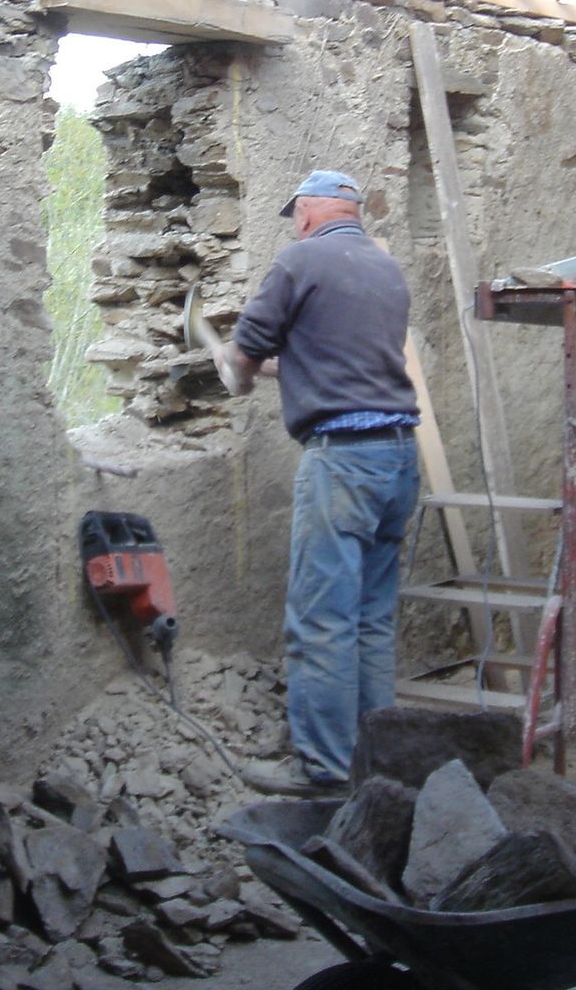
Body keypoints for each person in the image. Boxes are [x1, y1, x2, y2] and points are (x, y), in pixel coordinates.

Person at [213, 169, 422, 795]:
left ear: (307, 211)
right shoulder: (383, 268)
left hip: (343, 463)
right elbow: (337, 362)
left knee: (322, 621)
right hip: (398, 459)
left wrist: (234, 369)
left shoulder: (299, 260)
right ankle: (374, 767)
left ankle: (325, 771)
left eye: (296, 215)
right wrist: (273, 365)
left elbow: (245, 359)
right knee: (370, 620)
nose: (296, 225)